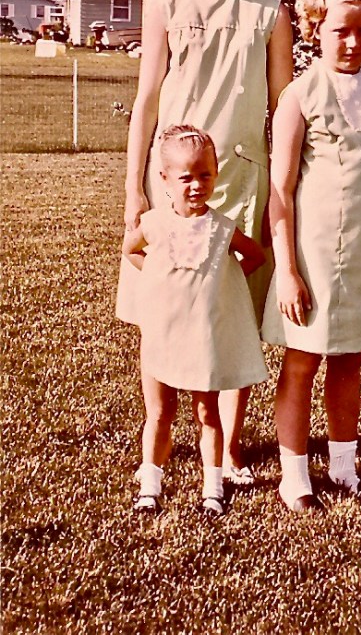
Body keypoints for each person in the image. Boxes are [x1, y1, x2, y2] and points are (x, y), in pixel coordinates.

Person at [116, 0, 293, 484]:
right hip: (172, 176)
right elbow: (146, 102)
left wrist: (288, 189)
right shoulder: (165, 6)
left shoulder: (270, 11)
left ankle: (232, 446)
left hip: (240, 178)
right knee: (164, 302)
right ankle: (159, 437)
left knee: (231, 310)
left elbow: (283, 106)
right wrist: (135, 189)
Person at [261, 0, 361, 512]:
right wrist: (287, 270)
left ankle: (344, 467)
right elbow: (279, 190)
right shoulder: (301, 95)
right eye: (340, 31)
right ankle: (294, 475)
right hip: (313, 253)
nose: (352, 43)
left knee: (349, 358)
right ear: (316, 29)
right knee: (303, 360)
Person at [123, 126, 268, 515]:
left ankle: (212, 486)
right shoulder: (153, 223)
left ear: (216, 174)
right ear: (165, 179)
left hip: (203, 338)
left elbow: (254, 256)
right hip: (162, 333)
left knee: (208, 414)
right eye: (185, 177)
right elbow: (131, 250)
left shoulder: (222, 228)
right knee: (159, 412)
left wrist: (225, 283)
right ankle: (150, 484)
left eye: (205, 175)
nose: (195, 185)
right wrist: (154, 273)